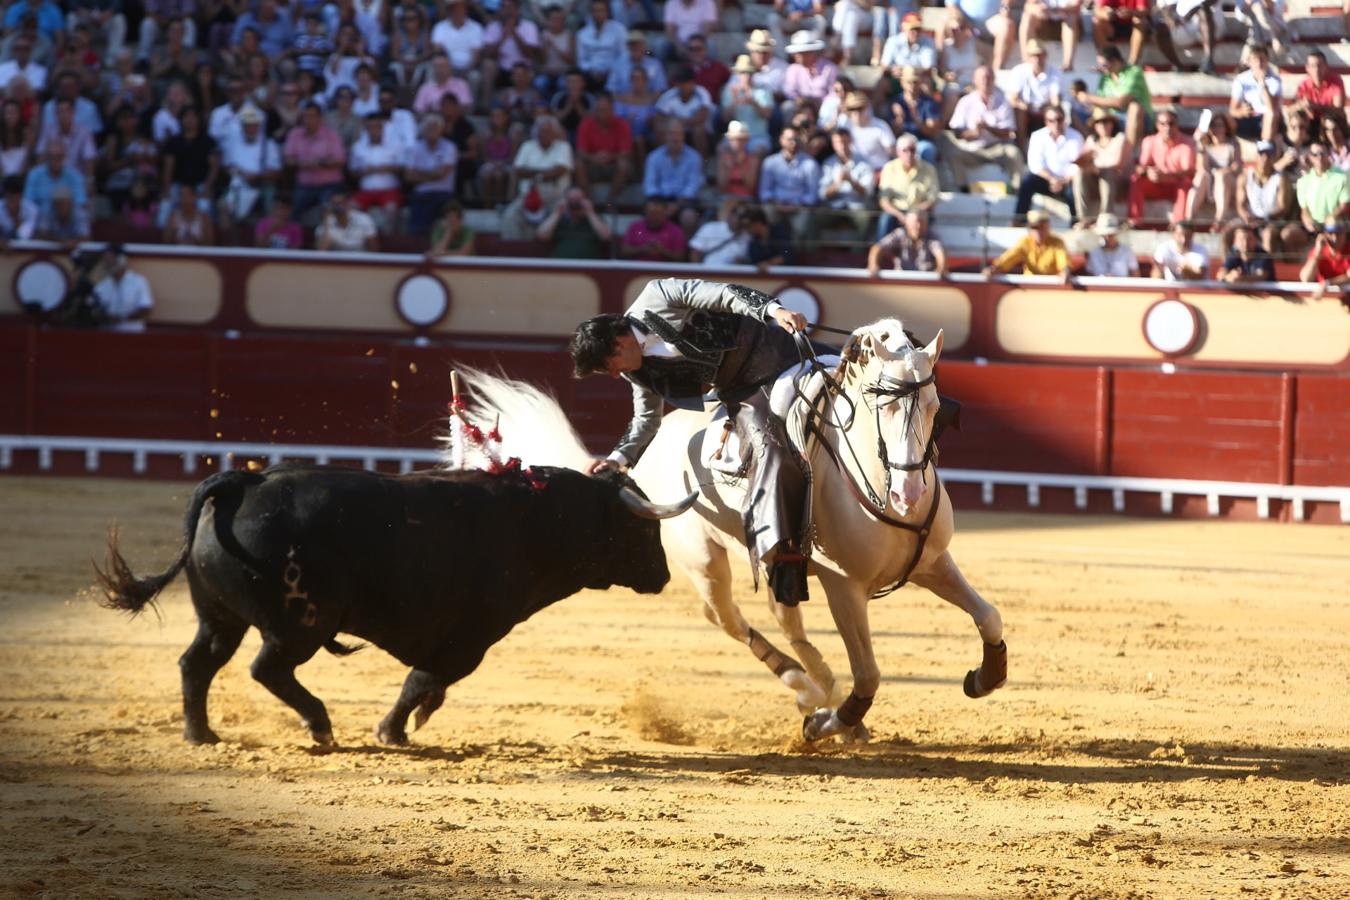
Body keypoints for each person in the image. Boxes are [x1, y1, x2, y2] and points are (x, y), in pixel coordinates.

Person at [569, 279, 815, 606]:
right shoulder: (634, 371)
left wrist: (774, 309)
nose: (615, 376)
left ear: (619, 342)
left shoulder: (657, 296)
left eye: (608, 367)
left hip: (776, 348)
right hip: (745, 390)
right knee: (768, 451)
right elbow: (646, 419)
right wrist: (616, 459)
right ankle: (786, 557)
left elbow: (725, 295)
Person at [939, 64, 1021, 192]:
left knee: (1014, 153)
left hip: (997, 148)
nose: (985, 81)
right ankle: (962, 189)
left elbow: (1008, 133)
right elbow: (957, 133)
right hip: (973, 149)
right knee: (954, 154)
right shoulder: (965, 102)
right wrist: (974, 133)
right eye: (982, 78)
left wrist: (988, 128)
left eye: (988, 77)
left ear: (994, 80)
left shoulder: (1003, 101)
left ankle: (1017, 190)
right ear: (974, 80)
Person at [501, 114, 573, 240]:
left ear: (555, 132)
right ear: (536, 132)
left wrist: (535, 175)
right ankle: (512, 255)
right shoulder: (528, 146)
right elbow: (519, 170)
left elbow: (560, 170)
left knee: (566, 219)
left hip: (555, 197)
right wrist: (546, 173)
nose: (545, 134)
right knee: (509, 216)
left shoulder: (563, 146)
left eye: (548, 131)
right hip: (528, 195)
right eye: (542, 131)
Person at [1073, 45, 1152, 150]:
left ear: (1115, 61)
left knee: (1134, 108)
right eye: (1100, 65)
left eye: (1103, 65)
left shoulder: (1134, 73)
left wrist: (1089, 98)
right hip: (1111, 117)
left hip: (1135, 118)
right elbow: (1101, 101)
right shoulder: (1105, 77)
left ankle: (1129, 153)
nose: (1100, 68)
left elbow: (1121, 103)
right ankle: (1095, 148)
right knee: (1075, 111)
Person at [1127, 111, 1195, 227]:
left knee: (1185, 183)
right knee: (1136, 180)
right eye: (1163, 124)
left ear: (1177, 125)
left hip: (1176, 185)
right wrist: (1148, 172)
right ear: (1157, 126)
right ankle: (1135, 221)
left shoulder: (1187, 143)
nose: (1167, 127)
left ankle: (1178, 223)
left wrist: (1166, 175)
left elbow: (1189, 172)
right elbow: (1141, 167)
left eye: (1171, 123)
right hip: (1157, 185)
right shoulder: (1149, 141)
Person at [1016, 106, 1082, 224]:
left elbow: (1077, 165)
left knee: (1074, 190)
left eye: (1059, 119)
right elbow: (1035, 165)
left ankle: (1076, 224)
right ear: (1046, 122)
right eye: (1052, 120)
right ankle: (1019, 220)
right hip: (1046, 180)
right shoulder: (1037, 136)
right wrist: (1052, 180)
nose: (1056, 123)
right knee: (1027, 182)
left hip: (1067, 181)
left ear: (1064, 119)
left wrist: (1063, 181)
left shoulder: (1076, 137)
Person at [759, 126, 819, 240]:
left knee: (801, 227)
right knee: (768, 216)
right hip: (775, 205)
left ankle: (794, 256)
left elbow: (812, 195)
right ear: (781, 139)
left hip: (799, 207)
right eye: (789, 139)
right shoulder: (770, 162)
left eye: (796, 140)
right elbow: (765, 192)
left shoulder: (810, 164)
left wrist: (798, 205)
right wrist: (776, 203)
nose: (793, 143)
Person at [817, 128, 875, 241]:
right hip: (834, 206)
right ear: (833, 144)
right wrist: (837, 184)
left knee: (865, 220)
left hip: (857, 206)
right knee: (814, 218)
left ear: (850, 142)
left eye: (844, 141)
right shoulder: (829, 163)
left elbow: (868, 192)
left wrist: (851, 181)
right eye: (838, 142)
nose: (842, 145)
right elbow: (822, 194)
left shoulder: (864, 162)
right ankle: (812, 256)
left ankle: (858, 255)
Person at [642, 123, 703, 232]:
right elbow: (650, 185)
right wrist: (662, 205)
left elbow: (692, 186)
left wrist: (676, 205)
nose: (675, 137)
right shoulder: (654, 157)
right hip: (659, 200)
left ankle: (684, 247)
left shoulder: (694, 157)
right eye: (671, 133)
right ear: (665, 136)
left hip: (685, 201)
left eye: (678, 134)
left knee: (688, 217)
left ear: (683, 136)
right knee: (653, 212)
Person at [1073, 108, 1128, 226]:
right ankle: (1084, 218)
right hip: (1095, 181)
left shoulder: (1119, 139)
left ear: (1112, 124)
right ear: (1094, 126)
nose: (1102, 125)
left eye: (1106, 121)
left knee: (1107, 173)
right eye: (1099, 122)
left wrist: (1098, 168)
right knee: (1079, 173)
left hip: (1116, 182)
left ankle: (1106, 217)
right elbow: (1081, 162)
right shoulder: (1091, 141)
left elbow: (1118, 164)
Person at [1292, 142, 1350, 254]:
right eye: (1315, 154)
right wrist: (1307, 220)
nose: (1319, 157)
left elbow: (1345, 206)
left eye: (1322, 153)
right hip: (1314, 226)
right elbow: (1304, 209)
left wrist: (1330, 219)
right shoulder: (1303, 182)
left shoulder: (1342, 177)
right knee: (1288, 234)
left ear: (1328, 154)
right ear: (1310, 157)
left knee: (1334, 225)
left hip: (1336, 226)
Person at [877, 134, 938, 239]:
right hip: (895, 212)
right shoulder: (889, 168)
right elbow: (884, 200)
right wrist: (900, 215)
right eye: (905, 150)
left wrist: (914, 214)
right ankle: (880, 251)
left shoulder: (929, 169)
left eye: (912, 150)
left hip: (919, 211)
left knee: (923, 223)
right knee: (885, 221)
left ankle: (924, 253)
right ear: (898, 152)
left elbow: (932, 199)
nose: (909, 154)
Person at [404, 113, 457, 234]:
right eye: (429, 128)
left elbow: (441, 174)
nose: (432, 131)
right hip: (421, 194)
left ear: (441, 130)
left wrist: (419, 173)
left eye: (435, 128)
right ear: (423, 130)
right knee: (416, 226)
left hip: (443, 194)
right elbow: (408, 176)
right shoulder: (415, 148)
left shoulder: (449, 147)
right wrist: (433, 174)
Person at [984, 209, 1071, 281]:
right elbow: (1009, 257)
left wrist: (1065, 271)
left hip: (1051, 289)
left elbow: (1063, 261)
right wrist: (995, 268)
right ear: (1029, 229)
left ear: (1048, 227)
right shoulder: (1025, 242)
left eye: (1042, 227)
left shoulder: (1057, 242)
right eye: (1034, 227)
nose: (1038, 231)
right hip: (1029, 286)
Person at [1236, 141, 1290, 256]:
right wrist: (1245, 215)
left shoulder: (1281, 178)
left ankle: (1267, 268)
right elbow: (1241, 204)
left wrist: (1264, 218)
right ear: (1256, 156)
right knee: (1229, 233)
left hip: (1272, 220)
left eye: (1269, 154)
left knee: (1268, 234)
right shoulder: (1245, 177)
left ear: (1274, 156)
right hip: (1251, 220)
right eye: (1261, 153)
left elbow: (1283, 207)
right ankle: (1229, 266)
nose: (1265, 157)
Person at [575, 92, 633, 198]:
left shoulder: (622, 124)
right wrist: (594, 158)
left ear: (612, 110)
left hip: (613, 164)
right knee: (579, 164)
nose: (601, 113)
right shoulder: (586, 124)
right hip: (593, 164)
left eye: (605, 110)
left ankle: (610, 202)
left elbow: (626, 152)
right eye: (599, 110)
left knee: (623, 164)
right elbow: (581, 152)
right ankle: (588, 201)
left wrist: (609, 157)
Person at [1006, 39, 1060, 151]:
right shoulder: (1019, 71)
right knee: (1020, 112)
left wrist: (1049, 109)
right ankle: (1022, 151)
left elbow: (1056, 100)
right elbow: (1013, 98)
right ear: (1028, 57)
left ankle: (1054, 150)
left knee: (1055, 114)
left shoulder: (1054, 72)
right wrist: (1024, 106)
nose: (1037, 59)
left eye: (1039, 55)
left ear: (1045, 55)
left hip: (1044, 110)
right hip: (1026, 110)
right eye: (1033, 55)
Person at [1186, 113, 1240, 225]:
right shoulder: (1206, 146)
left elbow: (1237, 167)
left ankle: (1219, 219)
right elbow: (1202, 168)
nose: (1216, 129)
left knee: (1221, 176)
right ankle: (1189, 220)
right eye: (1213, 125)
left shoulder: (1233, 144)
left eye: (1220, 125)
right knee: (1201, 176)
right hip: (1210, 183)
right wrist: (1200, 144)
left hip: (1228, 181)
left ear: (1226, 128)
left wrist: (1223, 172)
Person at [90, 243, 153, 332]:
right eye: (105, 259)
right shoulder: (101, 286)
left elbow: (146, 309)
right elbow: (94, 312)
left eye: (110, 259)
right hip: (107, 335)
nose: (107, 263)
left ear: (121, 260)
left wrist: (123, 318)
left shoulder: (138, 282)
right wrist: (106, 318)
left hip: (133, 334)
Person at [536, 185, 613, 259]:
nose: (575, 203)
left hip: (588, 266)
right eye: (571, 199)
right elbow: (542, 236)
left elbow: (606, 236)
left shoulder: (594, 218)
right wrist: (557, 212)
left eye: (578, 199)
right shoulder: (557, 218)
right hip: (560, 265)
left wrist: (590, 212)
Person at [868, 210, 947, 277]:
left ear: (926, 224)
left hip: (924, 280)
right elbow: (878, 247)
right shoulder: (899, 234)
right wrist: (873, 264)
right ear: (907, 224)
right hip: (901, 279)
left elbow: (939, 253)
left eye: (921, 222)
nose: (918, 226)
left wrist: (941, 267)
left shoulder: (932, 236)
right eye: (914, 223)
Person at [1230, 44, 1281, 143]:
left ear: (1267, 61)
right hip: (1248, 118)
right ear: (1249, 62)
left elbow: (1272, 108)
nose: (1259, 63)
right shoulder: (1241, 79)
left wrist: (1262, 83)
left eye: (1262, 59)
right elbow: (1233, 110)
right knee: (1226, 119)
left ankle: (1266, 146)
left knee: (1271, 114)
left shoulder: (1275, 80)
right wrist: (1242, 111)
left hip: (1267, 119)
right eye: (1255, 59)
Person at [621, 196, 686, 262]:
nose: (654, 216)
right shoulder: (634, 227)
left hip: (665, 270)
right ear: (645, 212)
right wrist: (642, 249)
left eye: (657, 213)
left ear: (665, 212)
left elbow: (680, 258)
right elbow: (624, 251)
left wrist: (662, 251)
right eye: (651, 213)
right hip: (638, 268)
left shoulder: (676, 230)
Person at [689, 198, 751, 265]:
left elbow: (748, 259)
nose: (740, 219)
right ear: (731, 214)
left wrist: (742, 261)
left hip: (733, 273)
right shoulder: (710, 227)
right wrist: (698, 272)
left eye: (744, 216)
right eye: (738, 215)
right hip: (709, 271)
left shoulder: (748, 236)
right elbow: (695, 252)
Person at [1299, 220, 1350, 299]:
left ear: (1344, 234)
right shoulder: (1319, 251)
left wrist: (1327, 284)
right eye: (1330, 233)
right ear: (1325, 234)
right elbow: (1305, 278)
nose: (1335, 238)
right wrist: (1318, 252)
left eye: (1338, 233)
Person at [1092, 0, 1150, 67]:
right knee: (1097, 22)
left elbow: (1144, 10)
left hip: (1133, 25)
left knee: (1139, 21)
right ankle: (1105, 60)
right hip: (1113, 25)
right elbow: (1097, 10)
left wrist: (1131, 12)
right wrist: (1108, 14)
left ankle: (1132, 64)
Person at [0, 175, 37, 246]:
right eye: (9, 196)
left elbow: (24, 237)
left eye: (15, 196)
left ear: (21, 195)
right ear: (5, 195)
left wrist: (14, 217)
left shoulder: (31, 209)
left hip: (23, 249)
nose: (12, 200)